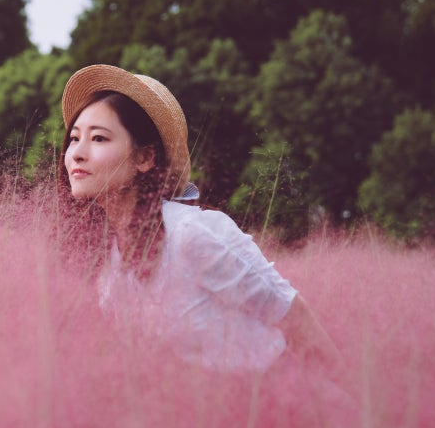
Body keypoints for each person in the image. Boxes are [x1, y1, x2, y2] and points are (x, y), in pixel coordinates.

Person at [58, 65, 350, 392]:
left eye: (98, 138)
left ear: (145, 158)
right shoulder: (107, 260)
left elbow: (292, 316)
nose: (77, 154)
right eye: (74, 138)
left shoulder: (191, 234)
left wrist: (361, 403)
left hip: (287, 399)